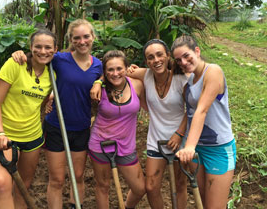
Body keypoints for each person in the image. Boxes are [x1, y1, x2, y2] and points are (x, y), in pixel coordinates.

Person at [12, 19, 103, 209]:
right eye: (76, 38)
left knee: (78, 176)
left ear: (93, 37)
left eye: (86, 36)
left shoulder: (98, 66)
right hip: (57, 127)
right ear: (71, 40)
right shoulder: (59, 59)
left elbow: (112, 74)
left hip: (81, 128)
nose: (82, 41)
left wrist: (99, 82)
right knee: (57, 179)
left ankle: (73, 205)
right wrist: (21, 53)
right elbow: (39, 55)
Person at [0, 29, 57, 209]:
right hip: (6, 136)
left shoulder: (53, 75)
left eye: (48, 47)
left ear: (55, 49)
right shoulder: (15, 65)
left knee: (23, 187)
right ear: (30, 47)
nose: (43, 51)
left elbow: (40, 102)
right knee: (2, 184)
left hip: (33, 138)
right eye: (38, 47)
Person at [171, 35, 236, 208]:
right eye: (179, 60)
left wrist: (189, 146)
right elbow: (190, 114)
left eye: (187, 56)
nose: (183, 62)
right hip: (198, 150)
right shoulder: (190, 81)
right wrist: (183, 139)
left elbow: (202, 110)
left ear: (197, 51)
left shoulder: (213, 71)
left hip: (219, 150)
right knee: (204, 203)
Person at [127, 39, 188, 209]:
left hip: (180, 140)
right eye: (150, 57)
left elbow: (191, 110)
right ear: (147, 61)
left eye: (160, 55)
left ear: (168, 56)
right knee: (151, 187)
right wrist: (130, 69)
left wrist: (179, 134)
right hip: (156, 139)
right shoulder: (145, 74)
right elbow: (117, 72)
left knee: (179, 186)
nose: (156, 60)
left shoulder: (180, 80)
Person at [88, 50, 147, 209]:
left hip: (126, 146)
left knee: (140, 188)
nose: (115, 73)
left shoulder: (137, 85)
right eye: (110, 70)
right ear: (104, 73)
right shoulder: (98, 89)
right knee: (103, 186)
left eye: (119, 68)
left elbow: (156, 77)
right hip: (100, 144)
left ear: (127, 68)